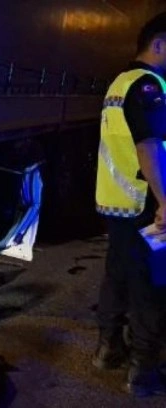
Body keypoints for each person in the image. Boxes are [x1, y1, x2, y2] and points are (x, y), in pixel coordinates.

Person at [93, 12, 166, 398]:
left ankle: (108, 350)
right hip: (144, 204)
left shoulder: (119, 83)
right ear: (159, 44)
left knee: (118, 276)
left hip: (116, 202)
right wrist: (165, 200)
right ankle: (144, 370)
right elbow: (148, 145)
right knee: (150, 287)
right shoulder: (149, 85)